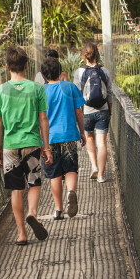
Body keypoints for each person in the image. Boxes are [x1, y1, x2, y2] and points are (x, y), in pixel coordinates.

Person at [0, 45, 52, 245]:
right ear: (26, 65)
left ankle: (21, 234)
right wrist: (47, 146)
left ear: (7, 66)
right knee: (34, 182)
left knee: (16, 189)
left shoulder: (0, 91)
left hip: (9, 146)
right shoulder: (37, 88)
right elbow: (43, 119)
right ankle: (32, 212)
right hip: (32, 144)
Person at [40, 57, 86, 219]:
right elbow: (79, 112)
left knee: (54, 173)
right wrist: (82, 132)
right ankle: (71, 192)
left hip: (49, 138)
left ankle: (58, 209)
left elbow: (39, 118)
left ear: (43, 75)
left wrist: (40, 142)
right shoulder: (70, 87)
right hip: (68, 135)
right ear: (60, 71)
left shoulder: (41, 91)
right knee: (71, 168)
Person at [73, 42, 111, 183]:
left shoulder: (79, 72)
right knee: (102, 142)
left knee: (89, 138)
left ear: (84, 56)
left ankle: (94, 166)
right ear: (98, 55)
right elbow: (110, 93)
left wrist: (78, 114)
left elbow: (76, 94)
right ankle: (101, 175)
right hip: (103, 110)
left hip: (86, 112)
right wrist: (109, 111)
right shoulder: (104, 71)